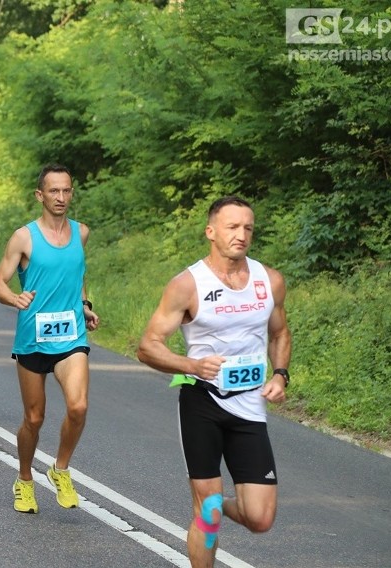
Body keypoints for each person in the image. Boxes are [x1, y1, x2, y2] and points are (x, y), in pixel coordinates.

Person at [136, 196, 292, 568]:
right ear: (211, 232)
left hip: (250, 405)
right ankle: (208, 510)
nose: (241, 235)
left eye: (248, 228)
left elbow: (280, 333)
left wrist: (281, 375)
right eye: (232, 227)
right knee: (207, 517)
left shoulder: (269, 280)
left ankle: (214, 504)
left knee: (260, 518)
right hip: (202, 401)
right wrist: (192, 364)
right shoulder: (187, 284)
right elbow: (148, 346)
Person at [0, 163, 99, 514]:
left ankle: (60, 469)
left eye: (66, 190)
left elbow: (77, 274)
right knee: (34, 419)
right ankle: (24, 479)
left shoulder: (81, 233)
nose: (61, 197)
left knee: (78, 407)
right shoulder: (24, 237)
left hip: (71, 336)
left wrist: (84, 304)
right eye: (54, 191)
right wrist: (14, 298)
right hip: (33, 339)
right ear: (40, 195)